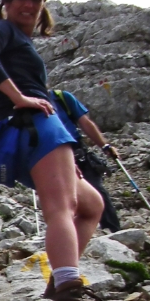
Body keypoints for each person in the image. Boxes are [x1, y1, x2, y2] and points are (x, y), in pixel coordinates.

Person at [0, 0, 122, 301]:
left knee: (91, 204)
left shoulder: (18, 38)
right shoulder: (3, 30)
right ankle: (69, 290)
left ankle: (59, 281)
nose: (30, 4)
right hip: (38, 128)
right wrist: (20, 97)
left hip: (42, 130)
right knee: (63, 206)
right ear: (7, 1)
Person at [50, 89, 121, 234]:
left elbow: (85, 123)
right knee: (70, 198)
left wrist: (105, 145)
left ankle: (112, 230)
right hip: (54, 154)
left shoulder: (62, 98)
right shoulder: (30, 105)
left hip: (73, 150)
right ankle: (75, 235)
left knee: (95, 190)